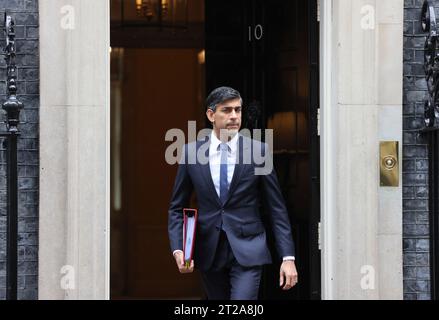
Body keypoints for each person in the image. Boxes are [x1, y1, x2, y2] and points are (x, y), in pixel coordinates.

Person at [168, 86, 298, 300]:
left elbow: (276, 208)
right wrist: (178, 248)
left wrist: (288, 257)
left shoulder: (259, 151)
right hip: (209, 248)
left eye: (237, 110)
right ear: (211, 115)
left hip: (249, 247)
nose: (234, 116)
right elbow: (176, 207)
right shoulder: (191, 152)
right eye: (226, 110)